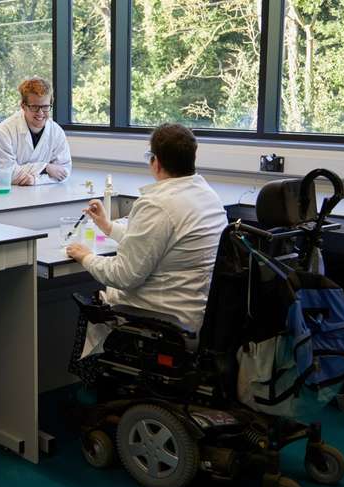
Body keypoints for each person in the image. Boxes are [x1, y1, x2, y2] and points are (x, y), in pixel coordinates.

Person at [66, 123, 227, 354]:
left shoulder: (157, 204)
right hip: (199, 315)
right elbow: (159, 243)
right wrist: (108, 227)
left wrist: (86, 257)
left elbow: (123, 276)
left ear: (156, 162)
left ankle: (91, 374)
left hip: (162, 319)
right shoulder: (208, 196)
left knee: (95, 305)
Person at [0, 77, 72, 185]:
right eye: (34, 107)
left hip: (45, 191)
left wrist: (36, 180)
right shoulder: (5, 130)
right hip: (12, 192)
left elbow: (63, 172)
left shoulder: (56, 132)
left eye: (45, 106)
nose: (40, 113)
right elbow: (5, 172)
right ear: (23, 106)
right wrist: (45, 167)